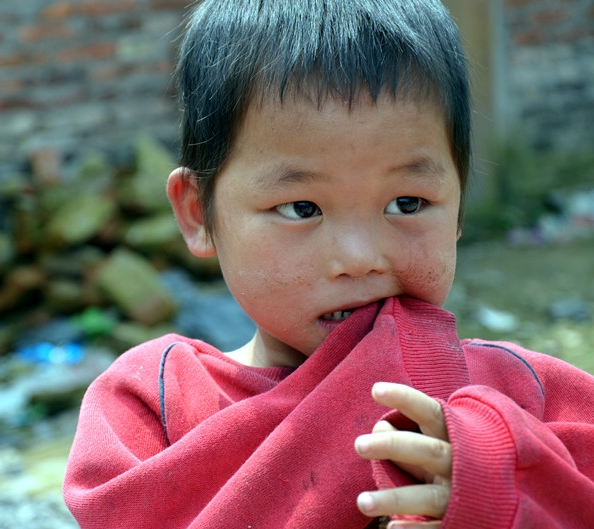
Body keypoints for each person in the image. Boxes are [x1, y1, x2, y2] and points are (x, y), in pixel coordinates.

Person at [63, 1, 594, 527]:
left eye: (407, 204)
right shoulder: (151, 403)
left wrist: (494, 491)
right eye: (302, 209)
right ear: (199, 213)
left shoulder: (522, 395)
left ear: (458, 203)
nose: (360, 259)